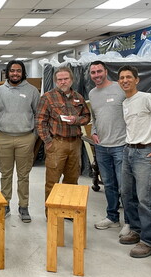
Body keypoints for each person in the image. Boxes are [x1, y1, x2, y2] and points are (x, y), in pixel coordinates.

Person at [117, 65, 151, 258]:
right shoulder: (126, 102)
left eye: (129, 77)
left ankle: (148, 242)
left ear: (137, 80)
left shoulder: (147, 98)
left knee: (145, 199)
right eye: (122, 78)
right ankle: (136, 230)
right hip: (128, 150)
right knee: (127, 194)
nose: (125, 80)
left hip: (145, 153)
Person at [0, 60, 39, 222]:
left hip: (26, 138)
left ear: (23, 73)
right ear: (7, 73)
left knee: (23, 175)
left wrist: (34, 136)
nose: (15, 74)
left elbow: (38, 114)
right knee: (5, 174)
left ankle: (23, 207)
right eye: (12, 71)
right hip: (3, 138)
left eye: (18, 71)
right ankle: (5, 204)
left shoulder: (32, 91)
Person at [36, 66, 91, 203]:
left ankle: (68, 209)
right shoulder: (47, 98)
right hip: (57, 143)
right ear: (55, 81)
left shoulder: (79, 98)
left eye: (66, 79)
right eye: (60, 79)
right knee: (52, 181)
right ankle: (52, 213)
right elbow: (40, 122)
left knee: (72, 180)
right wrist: (48, 142)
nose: (63, 82)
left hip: (75, 143)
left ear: (72, 80)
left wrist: (77, 120)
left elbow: (87, 117)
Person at [88, 61, 130, 236]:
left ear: (106, 71)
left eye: (99, 71)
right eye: (93, 72)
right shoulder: (92, 93)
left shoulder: (121, 88)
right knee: (109, 184)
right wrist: (95, 131)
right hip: (102, 146)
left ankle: (129, 222)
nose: (96, 75)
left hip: (121, 145)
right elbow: (95, 117)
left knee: (124, 186)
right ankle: (112, 217)